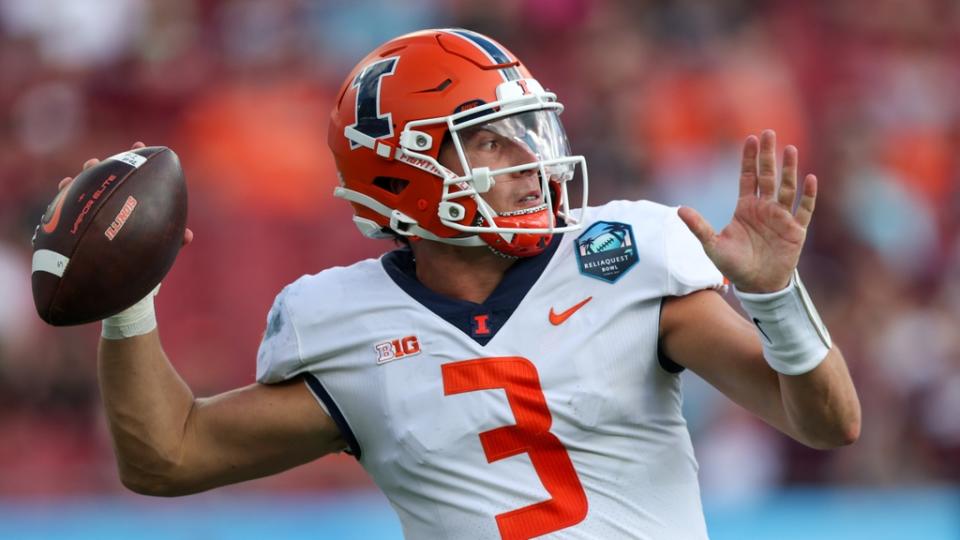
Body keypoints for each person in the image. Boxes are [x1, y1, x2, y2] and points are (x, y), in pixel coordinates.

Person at [64, 29, 859, 539]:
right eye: (488, 141)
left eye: (529, 130)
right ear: (399, 174)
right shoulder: (342, 322)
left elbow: (825, 424)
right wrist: (128, 301)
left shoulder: (627, 256)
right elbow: (165, 457)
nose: (527, 159)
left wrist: (774, 299)